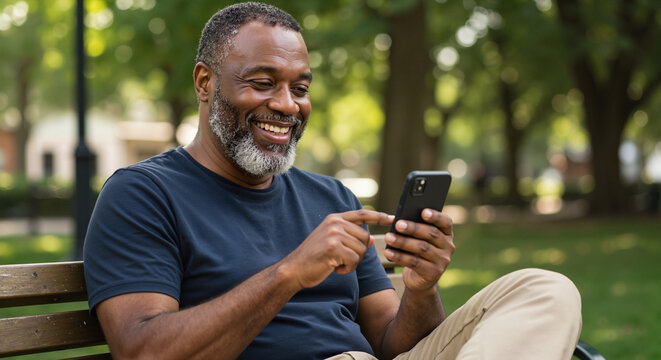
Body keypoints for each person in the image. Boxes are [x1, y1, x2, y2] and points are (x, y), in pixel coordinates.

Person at [83, 3, 582, 359]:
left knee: (544, 289)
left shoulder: (331, 198)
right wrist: (289, 273)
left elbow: (392, 342)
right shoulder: (142, 194)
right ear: (204, 83)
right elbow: (141, 351)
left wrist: (421, 289)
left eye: (299, 88)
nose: (286, 104)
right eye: (263, 83)